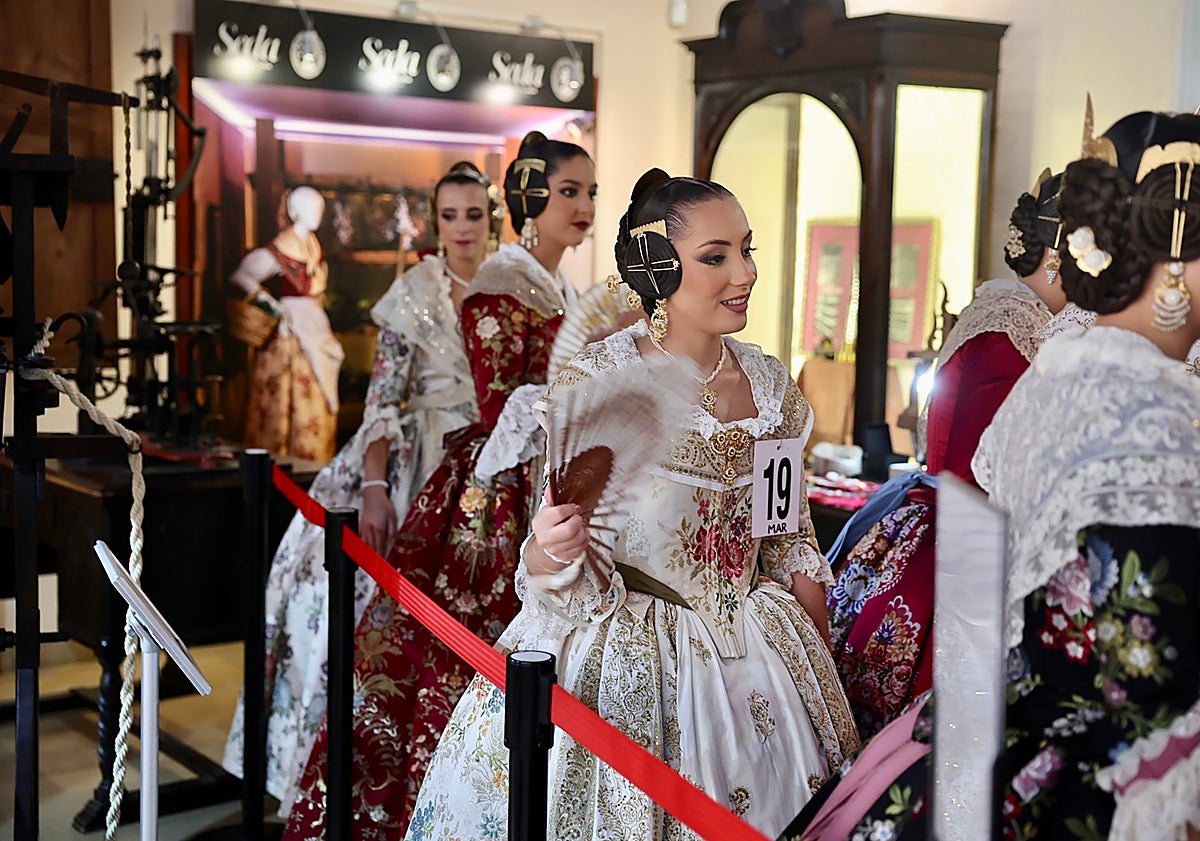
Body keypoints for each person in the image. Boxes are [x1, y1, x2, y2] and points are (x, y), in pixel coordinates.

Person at [405, 170, 860, 840]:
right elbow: (558, 565)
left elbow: (786, 535)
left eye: (747, 249)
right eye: (716, 257)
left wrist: (821, 661)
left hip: (761, 660)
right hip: (629, 659)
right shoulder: (602, 383)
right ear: (657, 269)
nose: (745, 272)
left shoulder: (771, 386)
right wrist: (551, 551)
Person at [789, 109, 1200, 841]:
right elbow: (1147, 663)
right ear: (1176, 249)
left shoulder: (1065, 366)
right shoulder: (1151, 408)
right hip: (1109, 765)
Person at [282, 132, 600, 839]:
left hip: (536, 470)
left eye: (588, 193)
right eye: (567, 192)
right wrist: (374, 482)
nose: (582, 206)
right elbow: (484, 405)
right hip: (483, 471)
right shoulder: (488, 290)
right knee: (454, 638)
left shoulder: (552, 284)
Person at [221, 162, 496, 813]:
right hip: (416, 456)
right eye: (448, 215)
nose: (461, 228)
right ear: (434, 220)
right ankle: (340, 782)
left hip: (493, 462)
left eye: (473, 214)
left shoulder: (510, 286)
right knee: (343, 605)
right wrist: (375, 483)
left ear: (492, 219)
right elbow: (383, 400)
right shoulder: (414, 291)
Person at [825, 171, 1067, 737]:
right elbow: (992, 468)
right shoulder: (1010, 337)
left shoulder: (1009, 321)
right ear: (1057, 257)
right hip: (969, 537)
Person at [232, 185, 344, 462]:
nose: (316, 213)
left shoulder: (314, 246)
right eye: (310, 207)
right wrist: (272, 305)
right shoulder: (281, 248)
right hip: (291, 332)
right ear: (296, 211)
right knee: (285, 396)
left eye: (319, 208)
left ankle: (314, 459)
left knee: (317, 398)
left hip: (315, 325)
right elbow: (241, 276)